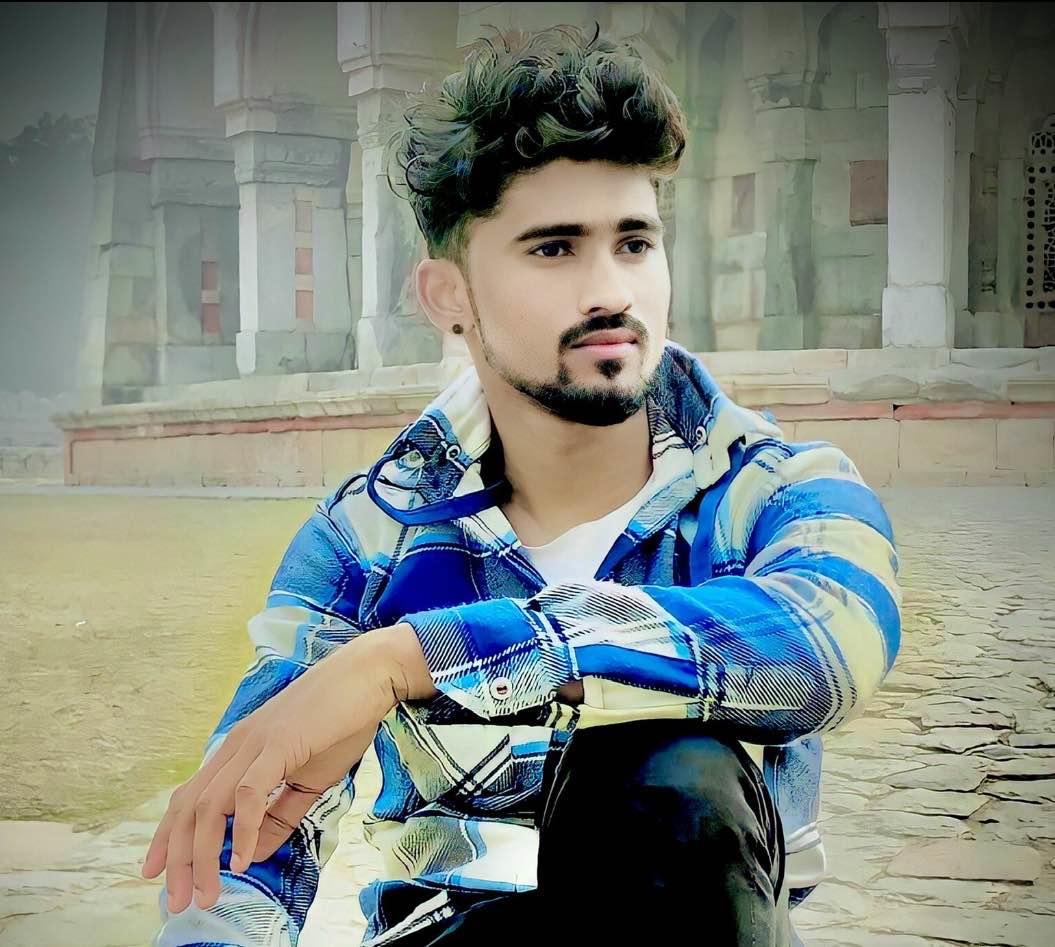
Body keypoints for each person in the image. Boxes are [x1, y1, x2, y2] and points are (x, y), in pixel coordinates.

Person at [143, 24, 901, 947]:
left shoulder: (774, 489)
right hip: (454, 936)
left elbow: (831, 640)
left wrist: (405, 660)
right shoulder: (370, 533)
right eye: (553, 249)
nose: (609, 291)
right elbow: (245, 831)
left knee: (669, 768)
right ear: (448, 295)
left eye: (634, 243)